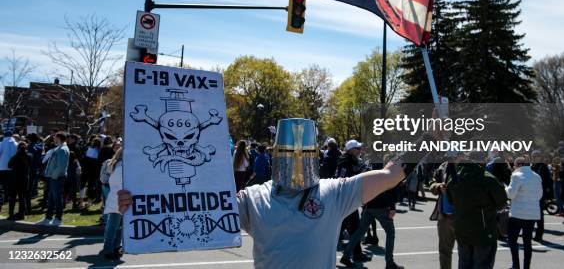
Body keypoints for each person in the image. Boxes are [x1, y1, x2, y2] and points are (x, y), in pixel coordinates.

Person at [118, 118, 421, 268]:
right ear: (276, 156)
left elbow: (391, 174)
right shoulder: (252, 198)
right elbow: (190, 213)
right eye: (289, 153)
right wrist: (137, 203)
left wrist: (429, 138)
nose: (296, 160)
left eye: (304, 153)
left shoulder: (335, 192)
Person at [446, 153, 508, 269]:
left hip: (462, 229)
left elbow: (450, 200)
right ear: (483, 161)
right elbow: (502, 201)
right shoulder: (487, 178)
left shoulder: (454, 177)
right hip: (483, 231)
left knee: (464, 264)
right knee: (482, 264)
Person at [341, 161, 403, 269]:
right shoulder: (384, 167)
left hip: (369, 204)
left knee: (360, 231)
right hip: (381, 205)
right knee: (390, 233)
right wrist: (392, 207)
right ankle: (390, 262)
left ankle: (346, 255)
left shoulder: (367, 166)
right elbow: (388, 188)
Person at [336, 139, 370, 262]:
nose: (360, 150)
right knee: (354, 226)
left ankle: (355, 253)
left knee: (346, 225)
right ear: (351, 150)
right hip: (347, 198)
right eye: (358, 148)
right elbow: (343, 179)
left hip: (349, 198)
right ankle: (355, 254)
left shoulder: (350, 161)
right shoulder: (345, 162)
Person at [506, 157, 542, 269]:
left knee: (512, 240)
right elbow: (540, 195)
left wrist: (505, 188)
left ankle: (515, 265)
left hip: (517, 213)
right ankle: (527, 266)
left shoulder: (516, 175)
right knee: (527, 242)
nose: (513, 167)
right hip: (532, 214)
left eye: (515, 165)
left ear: (519, 165)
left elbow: (510, 194)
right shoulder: (536, 176)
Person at [429, 158, 458, 269]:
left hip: (462, 218)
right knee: (444, 252)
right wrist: (437, 186)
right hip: (444, 217)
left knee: (465, 253)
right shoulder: (443, 167)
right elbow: (431, 182)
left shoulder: (468, 166)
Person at [38, 132, 70, 226]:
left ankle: (58, 219)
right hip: (54, 177)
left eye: (55, 138)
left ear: (59, 138)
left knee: (57, 198)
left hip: (57, 177)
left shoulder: (63, 149)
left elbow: (61, 166)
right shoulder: (58, 148)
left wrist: (54, 176)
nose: (53, 139)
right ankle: (48, 218)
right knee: (51, 198)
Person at [101, 148, 123, 260]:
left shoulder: (116, 165)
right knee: (114, 226)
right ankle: (109, 248)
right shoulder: (121, 167)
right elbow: (122, 185)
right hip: (120, 199)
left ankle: (115, 246)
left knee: (118, 226)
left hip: (118, 199)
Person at [531, 150, 552, 242]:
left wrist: (548, 196)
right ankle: (529, 233)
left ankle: (539, 235)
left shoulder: (543, 167)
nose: (534, 158)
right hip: (531, 194)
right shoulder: (532, 166)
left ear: (540, 157)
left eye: (536, 156)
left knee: (539, 215)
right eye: (533, 156)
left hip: (540, 194)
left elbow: (548, 181)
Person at [7, 142, 31, 220]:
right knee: (22, 197)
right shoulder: (29, 156)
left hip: (14, 179)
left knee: (12, 197)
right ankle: (21, 214)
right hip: (24, 179)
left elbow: (9, 165)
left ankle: (11, 214)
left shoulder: (15, 157)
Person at [0, 130, 18, 213]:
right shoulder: (16, 144)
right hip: (12, 168)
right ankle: (8, 197)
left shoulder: (1, 143)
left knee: (2, 185)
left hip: (2, 167)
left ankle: (3, 198)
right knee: (10, 185)